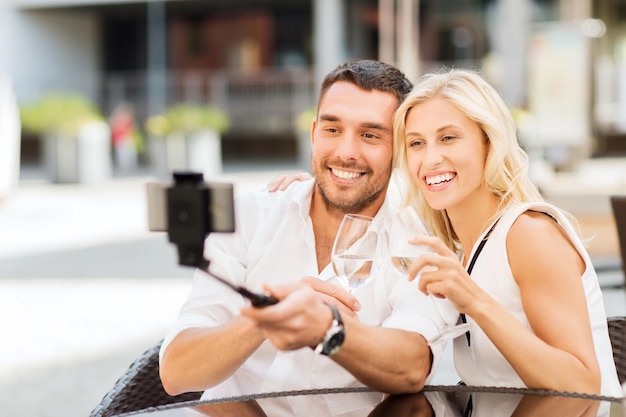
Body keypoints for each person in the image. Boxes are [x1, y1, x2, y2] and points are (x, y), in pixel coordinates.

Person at [159, 59, 449, 416]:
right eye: (332, 129)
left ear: (400, 149)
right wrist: (266, 316)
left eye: (370, 135)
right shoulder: (248, 217)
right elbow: (177, 372)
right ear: (313, 134)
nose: (346, 152)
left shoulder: (416, 240)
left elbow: (412, 366)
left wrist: (328, 329)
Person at [391, 68, 621, 397]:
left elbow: (582, 385)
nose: (430, 159)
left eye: (448, 138)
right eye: (416, 143)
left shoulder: (528, 234)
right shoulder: (466, 248)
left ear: (489, 142)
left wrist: (474, 301)